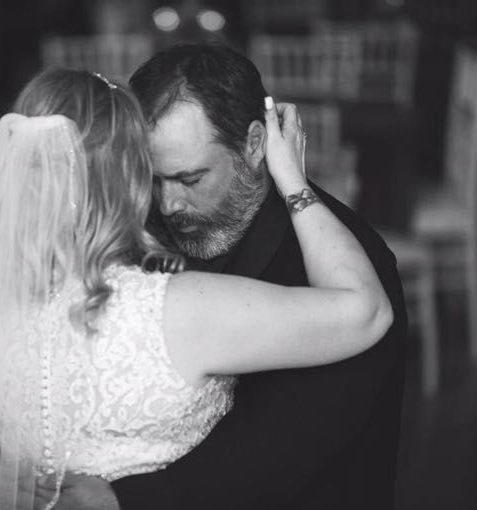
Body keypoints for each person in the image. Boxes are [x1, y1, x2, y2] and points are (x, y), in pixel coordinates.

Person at [0, 66, 393, 510]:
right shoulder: (171, 311)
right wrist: (292, 179)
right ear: (127, 178)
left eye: (188, 178)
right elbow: (367, 310)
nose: (167, 203)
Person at [55, 45, 408, 510]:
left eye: (190, 179)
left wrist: (122, 498)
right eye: (153, 179)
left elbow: (283, 448)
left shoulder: (352, 266)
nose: (168, 205)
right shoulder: (143, 228)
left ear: (255, 145)